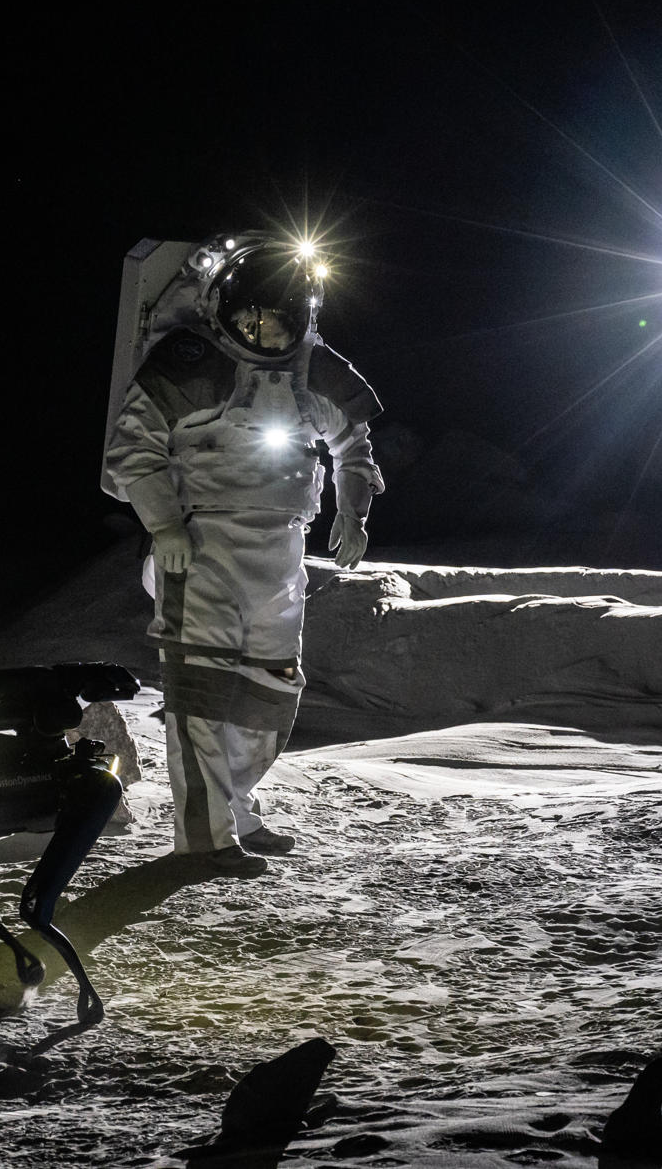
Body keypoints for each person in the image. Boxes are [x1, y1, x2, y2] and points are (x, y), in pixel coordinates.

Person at [105, 233, 382, 877]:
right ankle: (204, 838)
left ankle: (237, 811)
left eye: (279, 319)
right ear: (223, 308)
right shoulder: (190, 361)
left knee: (269, 692)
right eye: (253, 318)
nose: (266, 331)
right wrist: (165, 526)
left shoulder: (316, 371)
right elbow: (132, 451)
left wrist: (353, 511)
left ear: (302, 316)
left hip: (282, 551)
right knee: (202, 695)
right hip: (200, 549)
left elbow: (354, 446)